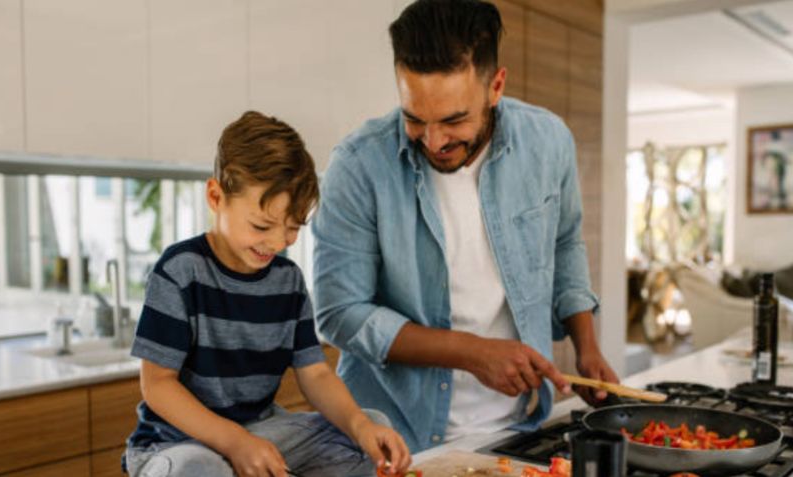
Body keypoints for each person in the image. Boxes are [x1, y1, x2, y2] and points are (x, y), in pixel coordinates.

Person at [312, 0, 618, 452]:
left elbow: (564, 242)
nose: (433, 141)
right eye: (414, 118)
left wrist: (586, 344)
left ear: (495, 86)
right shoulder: (358, 166)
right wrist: (471, 352)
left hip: (519, 429)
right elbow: (339, 313)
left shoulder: (548, 141)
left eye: (454, 120)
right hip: (393, 436)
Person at [124, 111, 410, 477]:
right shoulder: (181, 271)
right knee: (199, 469)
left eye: (292, 228)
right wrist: (234, 443)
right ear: (216, 197)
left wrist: (358, 425)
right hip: (177, 445)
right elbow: (157, 385)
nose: (277, 243)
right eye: (262, 225)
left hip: (260, 431)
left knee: (369, 430)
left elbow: (316, 375)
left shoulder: (288, 281)